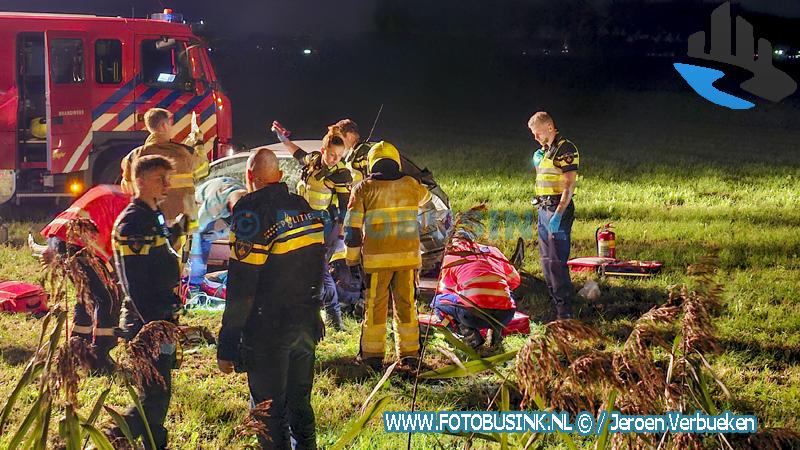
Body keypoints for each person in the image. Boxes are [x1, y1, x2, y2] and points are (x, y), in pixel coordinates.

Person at [217, 147, 326, 450]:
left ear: (249, 177)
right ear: (279, 177)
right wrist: (315, 314)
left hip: (269, 330)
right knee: (300, 406)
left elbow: (242, 285)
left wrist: (228, 343)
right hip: (305, 323)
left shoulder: (251, 214)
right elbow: (318, 267)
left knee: (269, 413)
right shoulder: (304, 208)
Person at [107, 155, 183, 449]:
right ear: (139, 181)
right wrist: (153, 328)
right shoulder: (133, 222)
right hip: (146, 323)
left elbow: (159, 253)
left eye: (167, 178)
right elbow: (135, 284)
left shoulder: (154, 214)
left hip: (162, 317)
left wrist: (177, 229)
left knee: (158, 391)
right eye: (158, 179)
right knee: (154, 393)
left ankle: (152, 442)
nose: (166, 184)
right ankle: (113, 437)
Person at [344, 141, 431, 370]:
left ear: (372, 163)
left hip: (376, 263)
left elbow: (352, 231)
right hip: (408, 261)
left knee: (375, 309)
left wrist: (352, 260)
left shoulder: (363, 188)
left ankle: (372, 357)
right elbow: (426, 198)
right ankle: (410, 355)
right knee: (406, 306)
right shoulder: (411, 185)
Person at [272, 121, 351, 330]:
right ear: (324, 150)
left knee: (320, 272)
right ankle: (308, 312)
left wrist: (340, 234)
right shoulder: (314, 160)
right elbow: (299, 155)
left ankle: (334, 319)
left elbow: (345, 208)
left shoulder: (341, 174)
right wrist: (284, 140)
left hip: (325, 228)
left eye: (340, 156)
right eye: (333, 155)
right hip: (305, 224)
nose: (336, 160)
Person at [120, 107, 209, 229]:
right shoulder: (183, 152)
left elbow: (127, 188)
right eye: (170, 125)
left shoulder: (133, 156)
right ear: (163, 125)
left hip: (150, 220)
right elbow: (203, 169)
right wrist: (198, 143)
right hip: (182, 221)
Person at [528, 111, 579, 319]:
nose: (535, 137)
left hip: (557, 209)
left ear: (550, 127)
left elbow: (569, 185)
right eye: (533, 134)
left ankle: (564, 312)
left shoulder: (565, 149)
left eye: (537, 133)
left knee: (557, 262)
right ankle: (555, 304)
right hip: (543, 209)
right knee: (546, 261)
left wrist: (559, 214)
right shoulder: (546, 151)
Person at [430, 231, 520, 350]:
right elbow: (515, 280)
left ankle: (470, 336)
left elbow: (447, 288)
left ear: (452, 243)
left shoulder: (452, 255)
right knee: (508, 295)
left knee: (436, 303)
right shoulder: (493, 251)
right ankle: (495, 334)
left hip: (472, 315)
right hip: (505, 315)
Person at [188, 177, 247, 287]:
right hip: (198, 202)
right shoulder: (214, 203)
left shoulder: (245, 197)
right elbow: (197, 227)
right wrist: (195, 254)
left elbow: (239, 224)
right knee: (202, 240)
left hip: (227, 200)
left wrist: (220, 234)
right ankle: (194, 283)